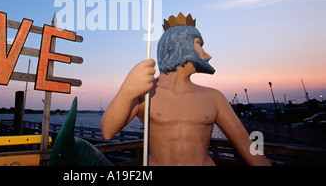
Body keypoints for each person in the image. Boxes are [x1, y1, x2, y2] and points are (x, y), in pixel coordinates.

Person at [100, 13, 271, 166]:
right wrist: (127, 90)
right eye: (199, 44)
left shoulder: (214, 98)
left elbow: (247, 145)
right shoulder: (145, 95)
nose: (207, 55)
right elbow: (107, 132)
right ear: (180, 46)